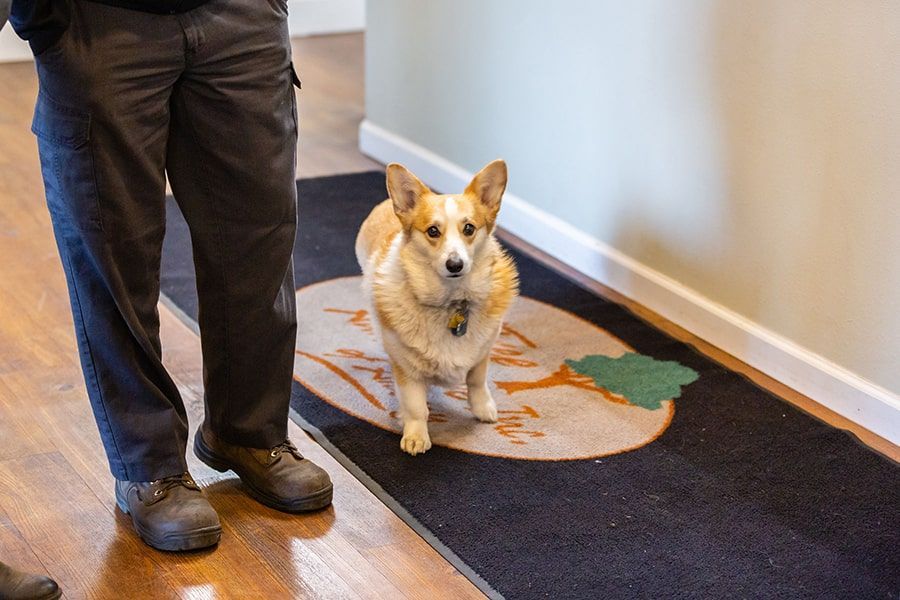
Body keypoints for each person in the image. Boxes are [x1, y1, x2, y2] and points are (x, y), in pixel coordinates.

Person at [6, 0, 333, 552]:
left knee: (259, 237)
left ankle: (248, 433)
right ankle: (148, 465)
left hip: (240, 17)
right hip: (99, 22)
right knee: (116, 255)